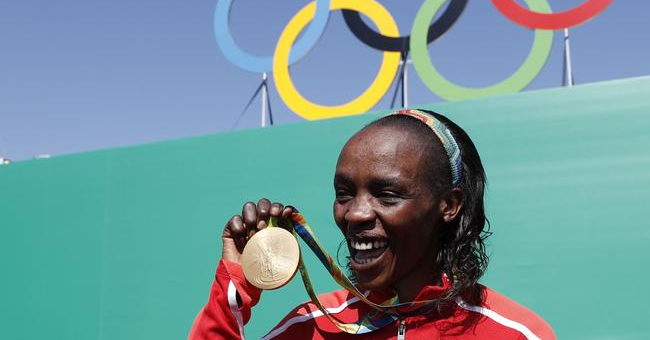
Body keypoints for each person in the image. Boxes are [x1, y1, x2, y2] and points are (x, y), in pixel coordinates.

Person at [188, 109, 556, 339]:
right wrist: (233, 289)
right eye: (345, 193)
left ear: (449, 205)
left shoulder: (516, 333)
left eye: (387, 194)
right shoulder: (310, 327)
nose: (355, 214)